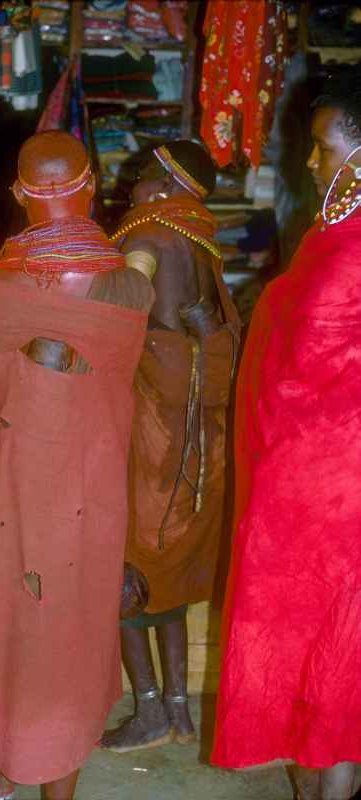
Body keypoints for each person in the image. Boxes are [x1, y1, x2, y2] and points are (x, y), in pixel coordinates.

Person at [0, 130, 154, 800]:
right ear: (92, 183)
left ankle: (0, 789)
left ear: (17, 193)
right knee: (65, 635)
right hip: (82, 497)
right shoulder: (123, 283)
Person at [211, 76, 361, 800]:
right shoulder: (328, 232)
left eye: (321, 146)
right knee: (300, 651)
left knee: (332, 658)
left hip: (338, 497)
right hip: (294, 488)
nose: (308, 162)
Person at [101, 140, 240, 753]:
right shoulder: (202, 238)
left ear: (164, 181)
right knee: (173, 569)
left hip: (151, 428)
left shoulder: (147, 235)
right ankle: (180, 709)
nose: (132, 180)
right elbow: (205, 330)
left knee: (127, 570)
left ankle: (151, 709)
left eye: (142, 171)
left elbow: (122, 309)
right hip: (196, 429)